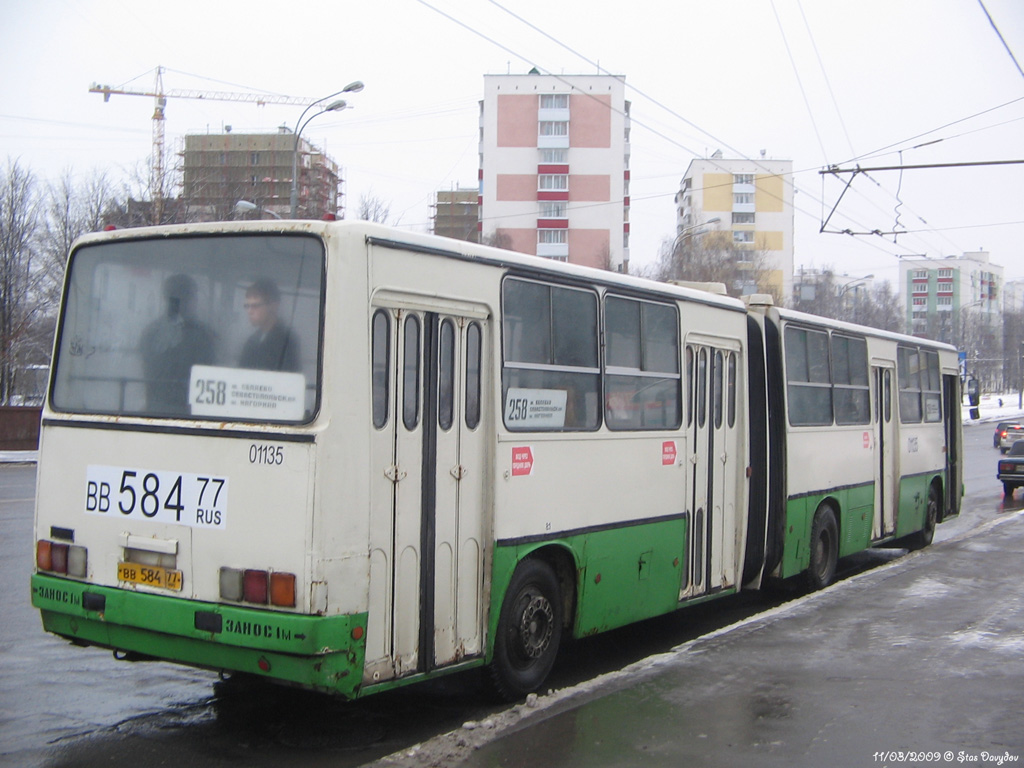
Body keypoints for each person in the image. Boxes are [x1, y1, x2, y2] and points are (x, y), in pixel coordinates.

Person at [141, 273, 216, 414]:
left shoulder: (150, 332)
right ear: (186, 300)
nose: (196, 301)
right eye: (194, 296)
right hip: (190, 414)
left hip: (154, 411)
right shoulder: (202, 335)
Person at [239, 278, 300, 372]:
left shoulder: (286, 342)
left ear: (273, 306)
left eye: (255, 306)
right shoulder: (251, 341)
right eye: (247, 306)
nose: (249, 311)